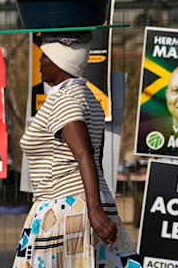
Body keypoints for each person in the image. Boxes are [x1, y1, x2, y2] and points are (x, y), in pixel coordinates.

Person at [14, 40, 140, 268]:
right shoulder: (84, 94)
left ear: (59, 63)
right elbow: (93, 156)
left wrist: (94, 210)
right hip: (86, 200)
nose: (40, 62)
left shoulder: (64, 100)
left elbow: (84, 153)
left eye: (44, 57)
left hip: (66, 207)